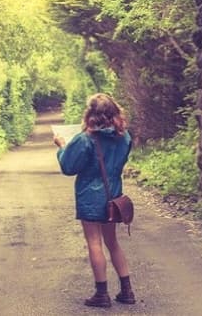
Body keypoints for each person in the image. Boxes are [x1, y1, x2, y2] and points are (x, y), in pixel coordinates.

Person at [53, 93, 135, 308]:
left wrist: (62, 146)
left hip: (90, 196)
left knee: (94, 243)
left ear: (90, 114)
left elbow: (68, 167)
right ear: (115, 112)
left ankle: (101, 294)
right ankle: (127, 290)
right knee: (112, 242)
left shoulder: (85, 139)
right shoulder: (124, 136)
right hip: (114, 195)